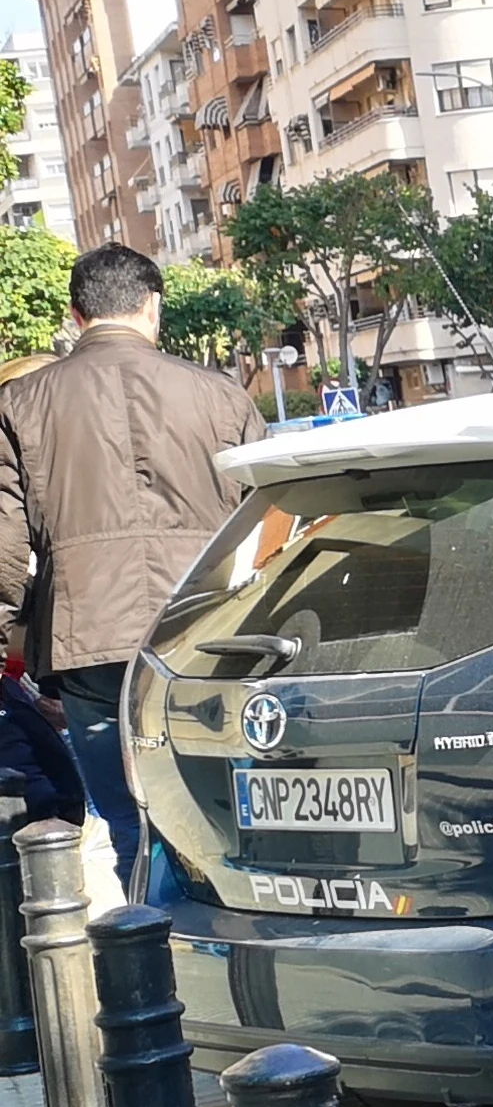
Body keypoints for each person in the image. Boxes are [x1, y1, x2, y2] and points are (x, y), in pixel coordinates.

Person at [0, 243, 270, 895]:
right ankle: (232, 955)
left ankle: (156, 966)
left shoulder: (21, 405)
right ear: (154, 307)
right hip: (205, 637)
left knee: (128, 818)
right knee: (224, 815)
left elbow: (5, 545)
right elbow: (270, 524)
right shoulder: (220, 396)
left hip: (87, 640)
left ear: (74, 313)